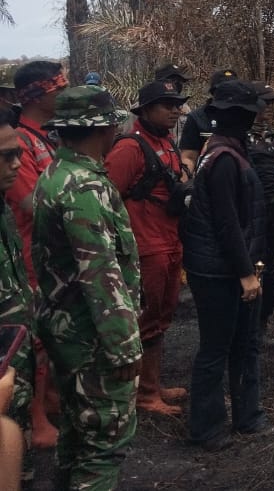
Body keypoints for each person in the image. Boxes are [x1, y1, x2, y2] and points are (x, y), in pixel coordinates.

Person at [32, 86, 142, 491]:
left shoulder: (57, 174)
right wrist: (124, 344)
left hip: (68, 329)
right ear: (104, 128)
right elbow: (99, 271)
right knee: (103, 445)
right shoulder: (83, 186)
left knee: (78, 437)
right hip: (92, 338)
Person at [181, 79, 269, 451]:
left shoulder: (228, 150)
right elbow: (227, 222)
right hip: (218, 271)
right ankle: (206, 428)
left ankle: (249, 417)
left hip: (231, 265)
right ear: (240, 117)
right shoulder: (222, 159)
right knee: (216, 348)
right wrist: (246, 273)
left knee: (245, 343)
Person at [104, 80, 191, 416]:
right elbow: (108, 199)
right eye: (166, 104)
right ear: (145, 109)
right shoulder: (130, 148)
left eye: (176, 104)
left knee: (161, 316)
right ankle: (141, 396)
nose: (174, 110)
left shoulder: (166, 142)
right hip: (146, 247)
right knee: (145, 319)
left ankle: (153, 386)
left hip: (169, 243)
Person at [9, 60, 66, 449]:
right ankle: (36, 422)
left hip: (50, 255)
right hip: (29, 256)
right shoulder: (17, 143)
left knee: (50, 331)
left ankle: (48, 401)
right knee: (34, 341)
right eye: (58, 89)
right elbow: (31, 203)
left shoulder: (47, 136)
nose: (63, 94)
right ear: (40, 94)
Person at [0, 109, 33, 469]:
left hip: (14, 368)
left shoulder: (3, 208)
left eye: (20, 153)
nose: (17, 164)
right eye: (7, 155)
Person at [247, 82, 274, 335]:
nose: (271, 107)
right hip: (249, 212)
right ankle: (245, 323)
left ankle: (263, 323)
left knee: (272, 268)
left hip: (272, 209)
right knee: (250, 264)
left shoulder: (273, 135)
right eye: (266, 101)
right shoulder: (239, 135)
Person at [178, 68, 238, 174]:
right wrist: (185, 183)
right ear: (213, 92)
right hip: (206, 180)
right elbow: (189, 158)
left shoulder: (242, 117)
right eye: (224, 90)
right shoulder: (197, 118)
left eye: (233, 90)